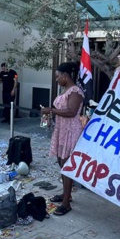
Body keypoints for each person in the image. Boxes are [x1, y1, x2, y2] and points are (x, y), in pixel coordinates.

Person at [41, 61, 84, 216]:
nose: (57, 80)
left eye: (58, 77)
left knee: (66, 166)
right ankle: (66, 193)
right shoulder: (65, 89)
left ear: (65, 76)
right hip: (61, 130)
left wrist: (52, 110)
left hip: (70, 132)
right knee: (61, 163)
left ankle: (66, 202)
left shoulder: (75, 91)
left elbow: (72, 111)